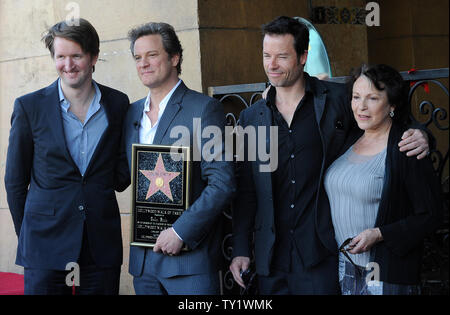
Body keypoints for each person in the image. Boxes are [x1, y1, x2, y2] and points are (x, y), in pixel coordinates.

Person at [229, 16, 430, 294]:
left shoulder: (337, 100)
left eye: (282, 56)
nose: (271, 65)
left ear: (302, 57)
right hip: (271, 260)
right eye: (266, 55)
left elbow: (383, 118)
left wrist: (421, 134)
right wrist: (241, 249)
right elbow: (247, 191)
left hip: (323, 254)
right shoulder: (249, 118)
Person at [4, 18, 130, 295]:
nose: (68, 65)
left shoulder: (118, 104)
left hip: (100, 244)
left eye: (77, 56)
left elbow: (122, 170)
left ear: (94, 57)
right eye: (60, 56)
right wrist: (28, 234)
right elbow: (15, 182)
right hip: (44, 244)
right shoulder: (29, 107)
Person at [123, 22, 235, 295]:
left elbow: (223, 182)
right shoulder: (131, 114)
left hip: (189, 263)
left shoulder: (204, 109)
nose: (143, 64)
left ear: (174, 58)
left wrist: (181, 232)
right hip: (144, 264)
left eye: (152, 55)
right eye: (138, 58)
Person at [324, 64, 443, 295]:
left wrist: (379, 234)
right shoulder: (348, 138)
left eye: (373, 98)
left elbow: (432, 215)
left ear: (392, 105)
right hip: (346, 267)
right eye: (356, 97)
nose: (361, 107)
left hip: (385, 272)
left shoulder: (407, 146)